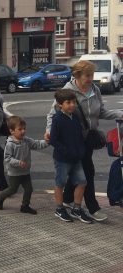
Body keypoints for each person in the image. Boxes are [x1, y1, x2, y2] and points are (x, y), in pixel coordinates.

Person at [45, 60, 123, 222]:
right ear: (78, 75)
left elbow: (101, 112)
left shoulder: (95, 90)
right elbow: (53, 113)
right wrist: (48, 130)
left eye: (92, 75)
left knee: (78, 171)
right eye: (87, 75)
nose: (90, 78)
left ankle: (67, 199)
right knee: (88, 172)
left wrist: (119, 114)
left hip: (88, 139)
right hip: (73, 139)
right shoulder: (68, 91)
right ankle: (93, 208)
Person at [49, 89, 92, 223]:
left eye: (73, 102)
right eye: (68, 102)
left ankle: (77, 209)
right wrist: (66, 151)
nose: (72, 105)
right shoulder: (57, 119)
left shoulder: (75, 118)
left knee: (82, 182)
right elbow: (53, 140)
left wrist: (81, 150)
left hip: (76, 158)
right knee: (60, 183)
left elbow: (79, 137)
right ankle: (59, 208)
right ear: (60, 104)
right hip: (62, 159)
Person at [0, 116, 48, 214]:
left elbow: (37, 144)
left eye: (24, 129)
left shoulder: (26, 140)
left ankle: (25, 206)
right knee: (13, 189)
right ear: (12, 131)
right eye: (20, 129)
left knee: (29, 189)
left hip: (25, 171)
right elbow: (7, 158)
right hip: (14, 173)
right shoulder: (10, 144)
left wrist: (47, 142)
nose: (23, 131)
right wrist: (18, 163)